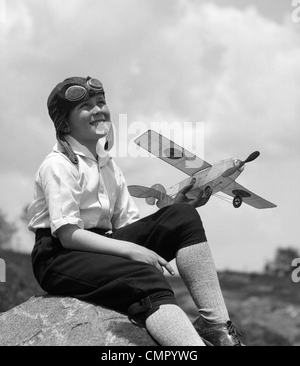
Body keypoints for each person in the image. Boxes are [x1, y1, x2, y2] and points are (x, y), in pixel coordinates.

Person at [28, 76, 244, 346]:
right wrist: (133, 251)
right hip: (59, 256)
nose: (98, 110)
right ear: (65, 122)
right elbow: (69, 235)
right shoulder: (57, 165)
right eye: (85, 107)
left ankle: (215, 325)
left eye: (101, 102)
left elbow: (130, 225)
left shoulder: (108, 165)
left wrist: (174, 207)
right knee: (146, 278)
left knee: (182, 216)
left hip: (102, 242)